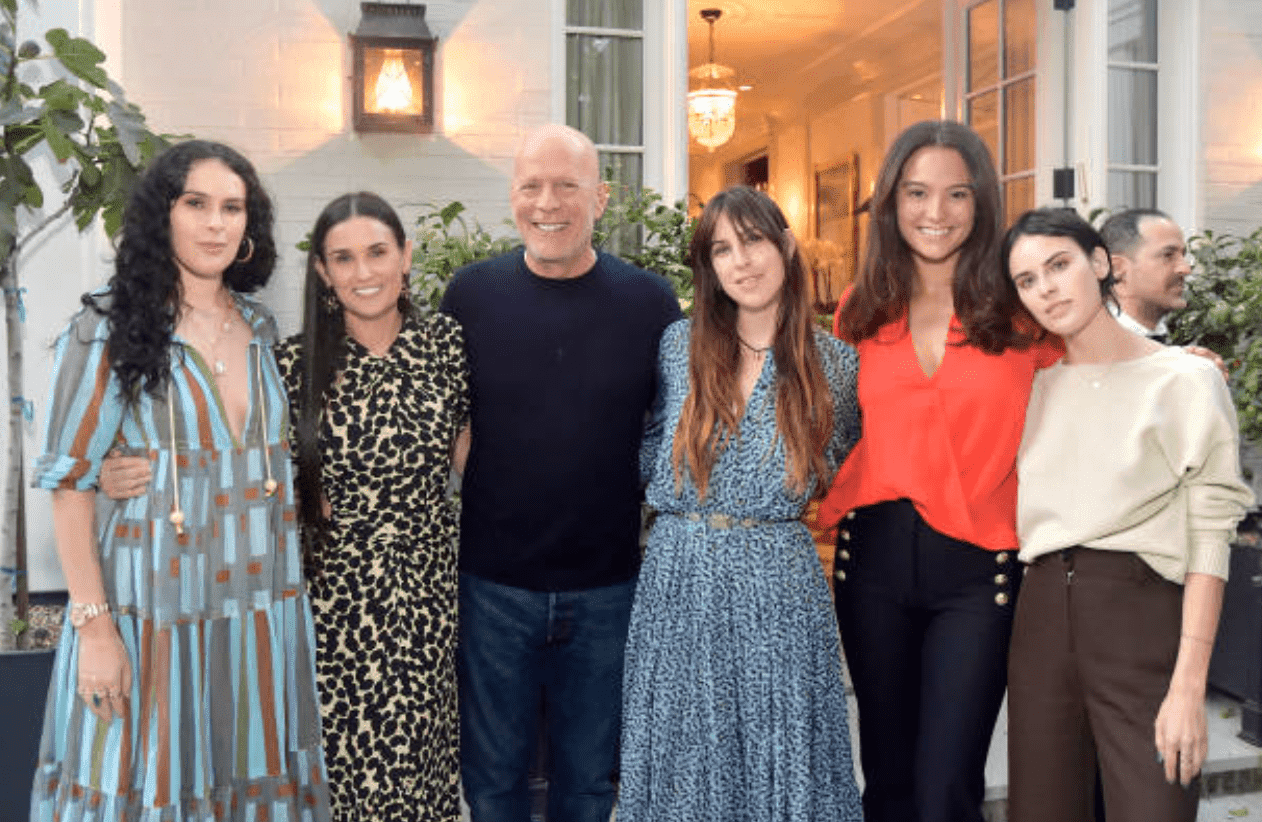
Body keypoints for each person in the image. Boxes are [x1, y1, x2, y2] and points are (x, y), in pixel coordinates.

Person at [101, 191, 471, 820]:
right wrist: (124, 466)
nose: (364, 272)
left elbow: (478, 452)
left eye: (378, 252)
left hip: (428, 591)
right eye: (343, 258)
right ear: (323, 273)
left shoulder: (448, 345)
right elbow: (224, 446)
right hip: (330, 604)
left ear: (405, 257)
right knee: (341, 771)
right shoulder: (290, 363)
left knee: (425, 762)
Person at [30, 140, 331, 821]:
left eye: (233, 208)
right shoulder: (105, 327)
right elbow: (70, 482)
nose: (216, 224)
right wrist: (96, 630)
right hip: (154, 612)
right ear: (160, 216)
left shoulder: (259, 326)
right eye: (196, 204)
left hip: (258, 606)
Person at [816, 119, 1062, 822]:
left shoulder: (1021, 308)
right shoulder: (862, 307)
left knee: (947, 787)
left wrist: (1170, 362)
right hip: (872, 562)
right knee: (887, 780)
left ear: (982, 203)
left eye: (957, 195)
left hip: (980, 567)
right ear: (891, 202)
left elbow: (1099, 369)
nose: (935, 212)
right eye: (917, 192)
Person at [438, 123, 681, 822]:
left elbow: (673, 431)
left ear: (600, 198)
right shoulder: (470, 296)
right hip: (492, 587)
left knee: (589, 786)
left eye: (566, 185)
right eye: (531, 186)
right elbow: (444, 417)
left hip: (608, 589)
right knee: (492, 785)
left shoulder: (650, 305)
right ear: (512, 197)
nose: (548, 203)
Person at [617, 186, 863, 821]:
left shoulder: (836, 364)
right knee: (682, 753)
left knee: (781, 750)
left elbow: (845, 466)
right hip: (679, 579)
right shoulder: (677, 346)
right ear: (710, 267)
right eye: (722, 249)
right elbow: (643, 441)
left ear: (785, 245)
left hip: (779, 587)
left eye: (753, 240)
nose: (741, 261)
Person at [1002, 207, 1254, 822]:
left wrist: (1190, 686)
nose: (1046, 290)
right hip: (1038, 623)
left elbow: (1211, 536)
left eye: (1058, 265)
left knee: (1155, 805)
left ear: (1100, 264)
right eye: (1027, 280)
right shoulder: (1030, 386)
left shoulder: (1188, 379)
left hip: (1142, 618)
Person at [1099, 207, 1191, 341]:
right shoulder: (1090, 351)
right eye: (1168, 255)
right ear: (1116, 269)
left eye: (1183, 255)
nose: (1186, 268)